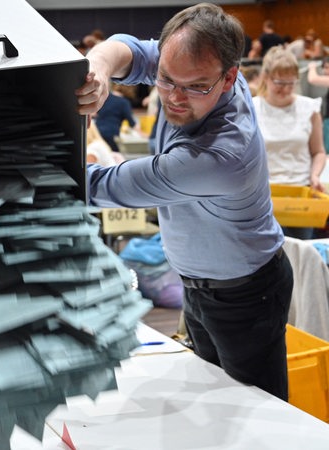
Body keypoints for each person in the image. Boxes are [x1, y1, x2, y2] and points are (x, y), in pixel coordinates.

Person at [75, 3, 293, 401]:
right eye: (165, 80)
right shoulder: (197, 63)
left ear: (231, 78)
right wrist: (99, 70)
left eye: (195, 87)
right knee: (210, 394)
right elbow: (129, 50)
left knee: (259, 414)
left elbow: (101, 186)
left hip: (245, 294)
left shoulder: (222, 155)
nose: (175, 98)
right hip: (200, 284)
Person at [252, 46, 325, 240]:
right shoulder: (252, 109)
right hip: (263, 198)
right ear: (266, 77)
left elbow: (318, 152)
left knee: (302, 260)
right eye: (279, 82)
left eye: (290, 83)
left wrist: (315, 176)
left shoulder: (309, 108)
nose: (285, 88)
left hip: (300, 198)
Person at [93, 82, 137, 153]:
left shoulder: (104, 97)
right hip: (112, 135)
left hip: (97, 133)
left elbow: (93, 114)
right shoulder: (124, 102)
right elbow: (132, 123)